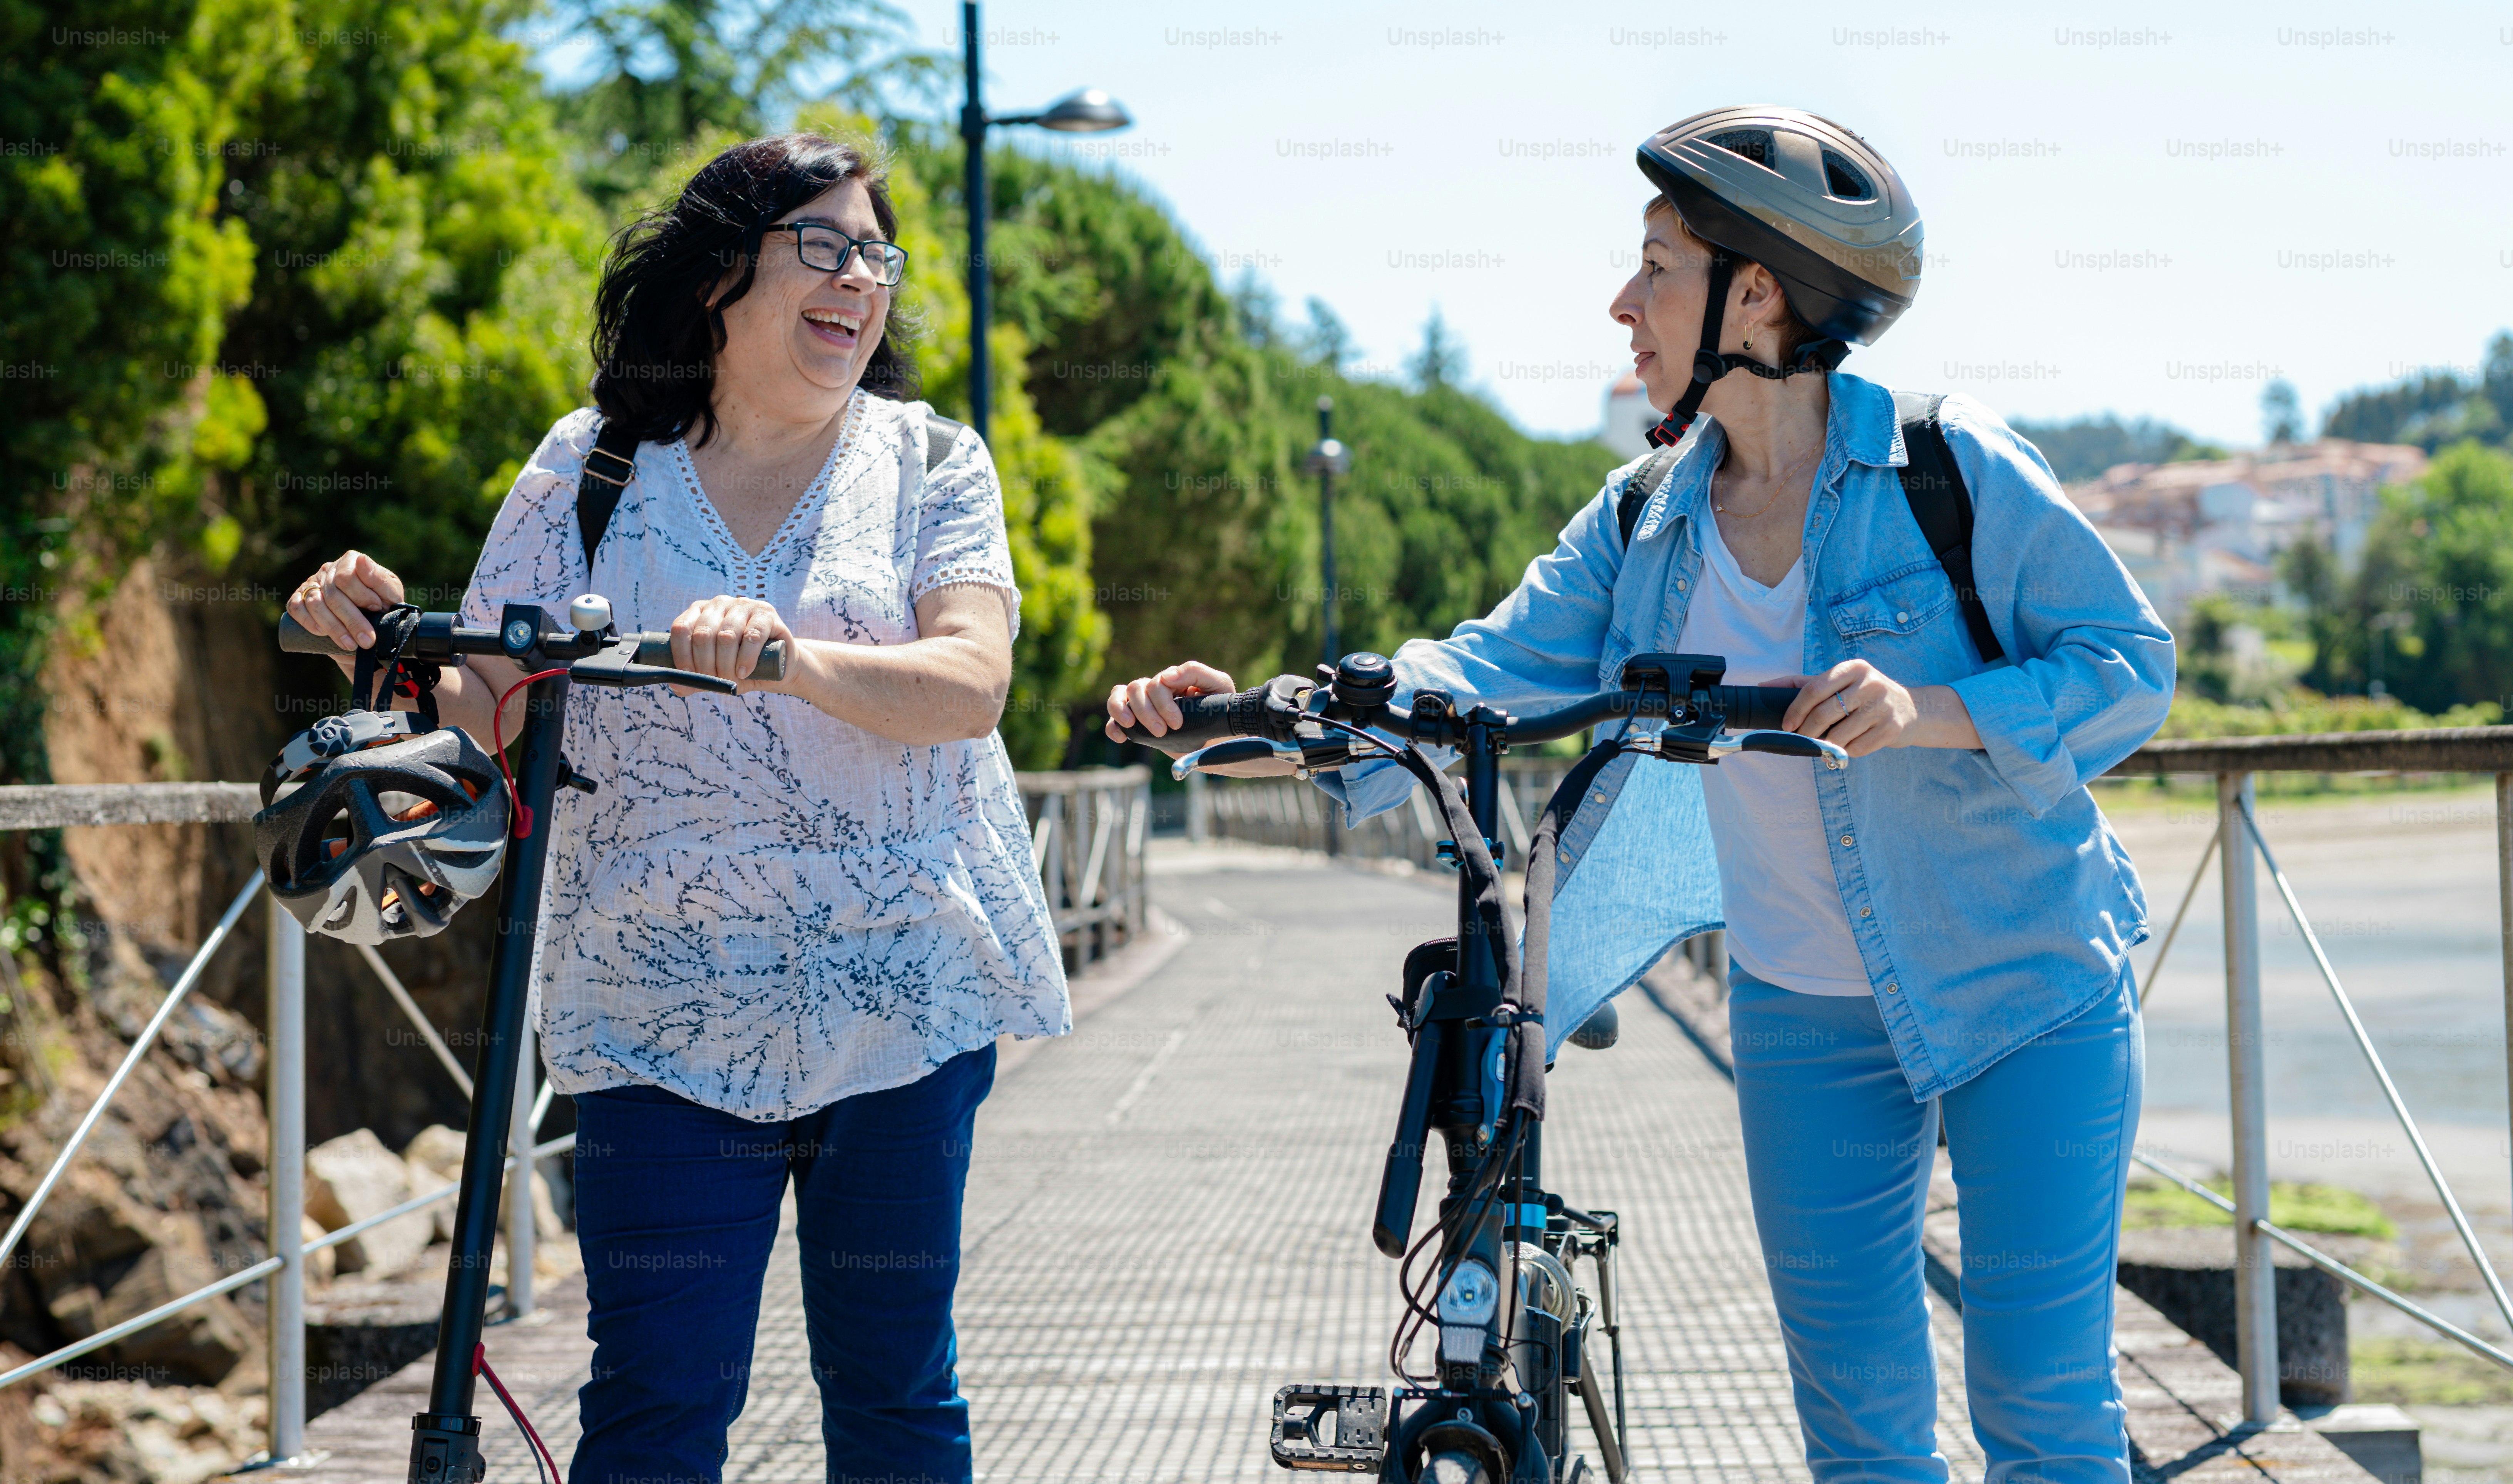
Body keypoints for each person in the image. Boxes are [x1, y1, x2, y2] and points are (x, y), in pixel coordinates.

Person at [1108, 106, 2172, 1484]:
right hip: (1800, 1010)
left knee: (2044, 1416)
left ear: (1759, 292)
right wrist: (1263, 717)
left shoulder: (1944, 466)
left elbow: (2129, 664)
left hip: (2023, 987)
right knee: (1859, 1438)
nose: (1624, 302)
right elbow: (1476, 671)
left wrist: (1933, 712)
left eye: (1656, 265)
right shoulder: (1642, 517)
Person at [287, 133, 1064, 1484]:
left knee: (892, 1394)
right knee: (654, 1407)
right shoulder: (589, 469)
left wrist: (788, 654)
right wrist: (366, 637)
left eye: (875, 254)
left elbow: (971, 683)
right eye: (822, 245)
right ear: (719, 272)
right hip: (659, 1009)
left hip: (900, 998)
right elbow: (481, 711)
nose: (860, 280)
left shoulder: (932, 461)